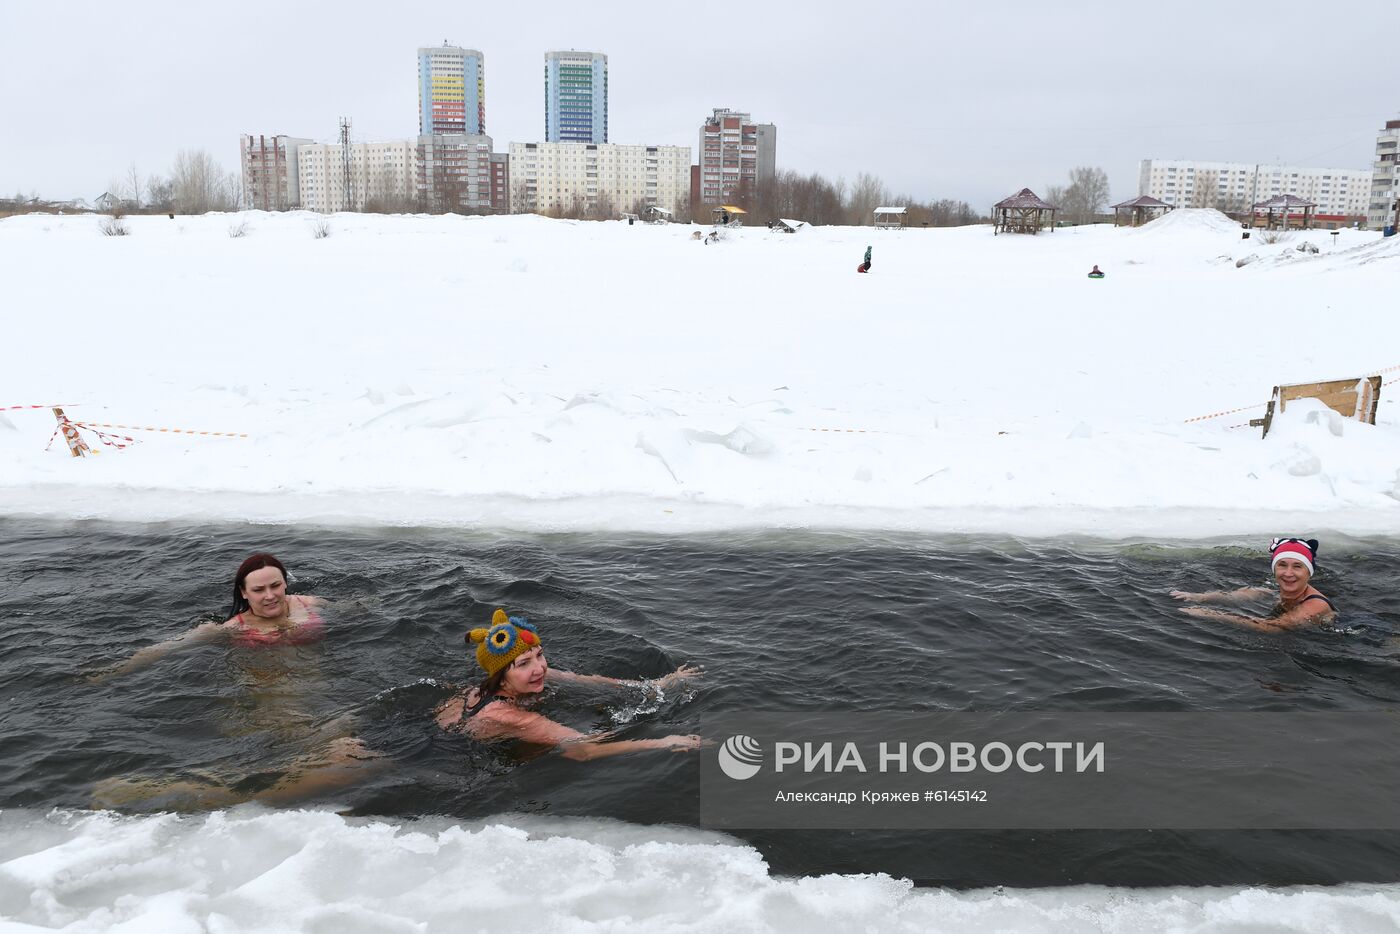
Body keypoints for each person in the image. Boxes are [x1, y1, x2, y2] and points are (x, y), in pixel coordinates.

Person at [435, 609, 704, 760]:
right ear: (501, 675)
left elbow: (583, 680)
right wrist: (662, 742)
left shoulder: (492, 686)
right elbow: (583, 750)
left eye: (539, 654)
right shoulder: (510, 716)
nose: (539, 668)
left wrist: (660, 684)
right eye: (524, 663)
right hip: (454, 756)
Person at [89, 553, 325, 681]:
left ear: (285, 582)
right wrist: (114, 671)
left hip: (318, 679)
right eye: (258, 590)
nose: (270, 596)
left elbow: (358, 610)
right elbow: (167, 648)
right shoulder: (232, 628)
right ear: (244, 593)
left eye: (275, 585)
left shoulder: (308, 603)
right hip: (270, 689)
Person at [1171, 537, 1336, 631]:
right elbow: (1238, 595)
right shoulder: (1276, 592)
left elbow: (1274, 627)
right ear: (1274, 569)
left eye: (1297, 566)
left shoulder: (1316, 605)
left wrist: (1211, 614)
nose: (1288, 573)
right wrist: (1200, 597)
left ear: (1309, 572)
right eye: (1282, 565)